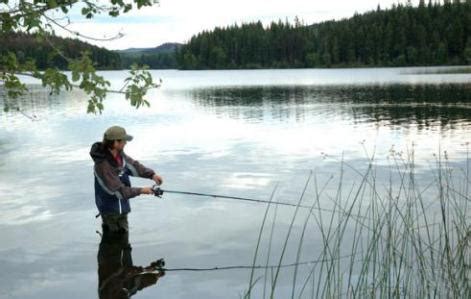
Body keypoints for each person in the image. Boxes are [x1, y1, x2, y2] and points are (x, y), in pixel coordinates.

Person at [90, 125, 163, 233]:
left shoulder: (119, 155)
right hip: (110, 211)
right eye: (124, 141)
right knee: (113, 241)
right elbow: (119, 192)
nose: (126, 143)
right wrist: (142, 190)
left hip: (122, 207)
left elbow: (133, 166)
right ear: (115, 143)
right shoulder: (102, 165)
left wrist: (152, 175)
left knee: (125, 243)